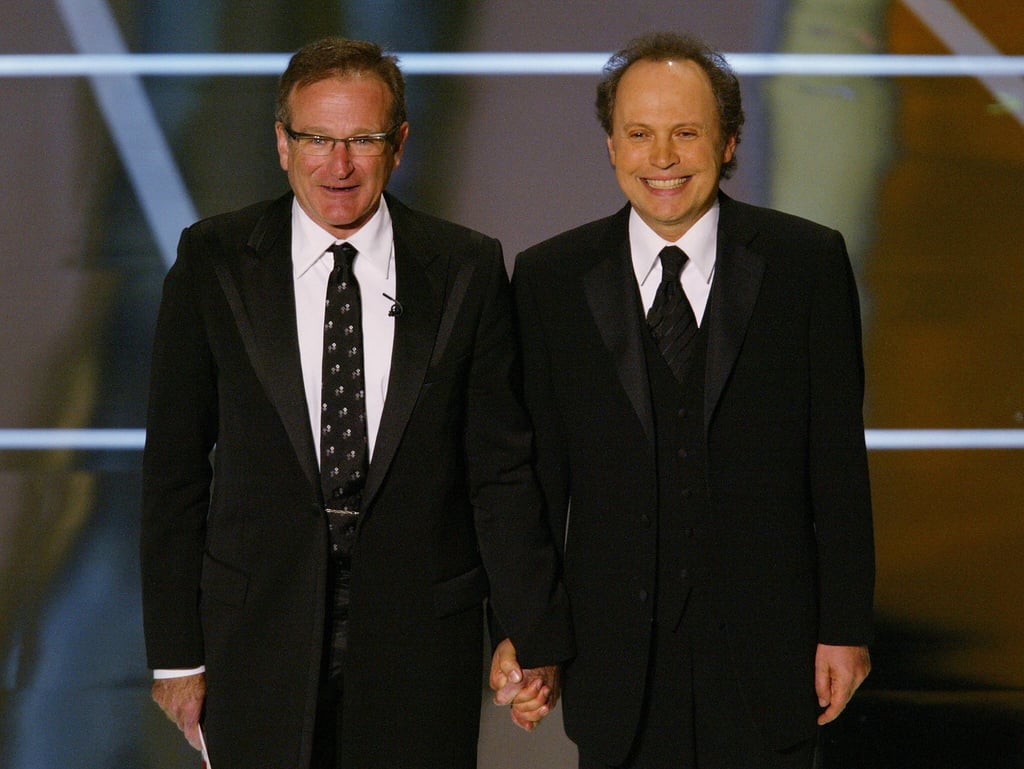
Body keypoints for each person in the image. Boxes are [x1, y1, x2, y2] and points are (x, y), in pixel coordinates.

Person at [140, 36, 571, 769]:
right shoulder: (213, 261)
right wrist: (175, 657)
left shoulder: (465, 267)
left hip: (419, 642)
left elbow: (498, 470)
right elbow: (176, 472)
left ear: (398, 144)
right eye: (316, 138)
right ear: (282, 142)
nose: (338, 166)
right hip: (256, 637)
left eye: (362, 140)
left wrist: (530, 629)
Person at [492, 32, 874, 769]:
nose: (661, 158)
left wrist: (845, 624)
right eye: (639, 134)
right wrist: (530, 630)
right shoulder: (549, 280)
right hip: (614, 669)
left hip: (772, 660)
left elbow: (837, 463)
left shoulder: (807, 264)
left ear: (728, 142)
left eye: (686, 133)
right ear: (610, 144)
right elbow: (536, 485)